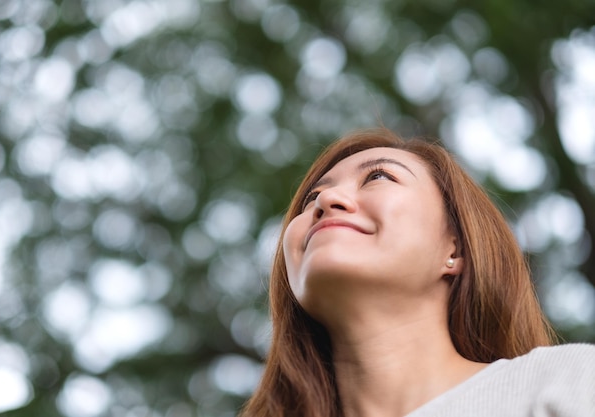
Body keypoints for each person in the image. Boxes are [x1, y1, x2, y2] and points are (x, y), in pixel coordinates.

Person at [239, 128, 595, 417]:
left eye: (378, 176)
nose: (324, 202)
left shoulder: (570, 383)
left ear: (454, 249)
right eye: (310, 198)